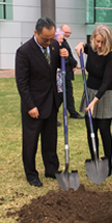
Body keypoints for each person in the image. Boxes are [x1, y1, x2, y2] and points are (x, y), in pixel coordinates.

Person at [15, 17, 70, 187]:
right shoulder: (24, 52)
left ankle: (51, 169)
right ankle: (31, 174)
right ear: (35, 33)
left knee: (50, 138)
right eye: (45, 39)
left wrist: (66, 57)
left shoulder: (54, 46)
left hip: (51, 101)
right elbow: (22, 83)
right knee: (31, 141)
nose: (48, 42)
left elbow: (63, 66)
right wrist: (30, 105)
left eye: (51, 38)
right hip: (34, 104)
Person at [75, 24, 112, 175]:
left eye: (103, 42)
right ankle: (95, 160)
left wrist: (94, 102)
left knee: (104, 130)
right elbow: (84, 47)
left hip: (106, 93)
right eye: (97, 41)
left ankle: (108, 163)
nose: (99, 45)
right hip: (90, 91)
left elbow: (106, 82)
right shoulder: (92, 48)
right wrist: (80, 45)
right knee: (91, 129)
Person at [59, 24, 83, 118]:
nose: (68, 34)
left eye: (69, 33)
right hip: (63, 73)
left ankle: (72, 112)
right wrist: (75, 63)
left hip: (67, 72)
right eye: (66, 32)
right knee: (62, 94)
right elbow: (66, 56)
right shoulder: (61, 43)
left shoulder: (64, 42)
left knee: (68, 93)